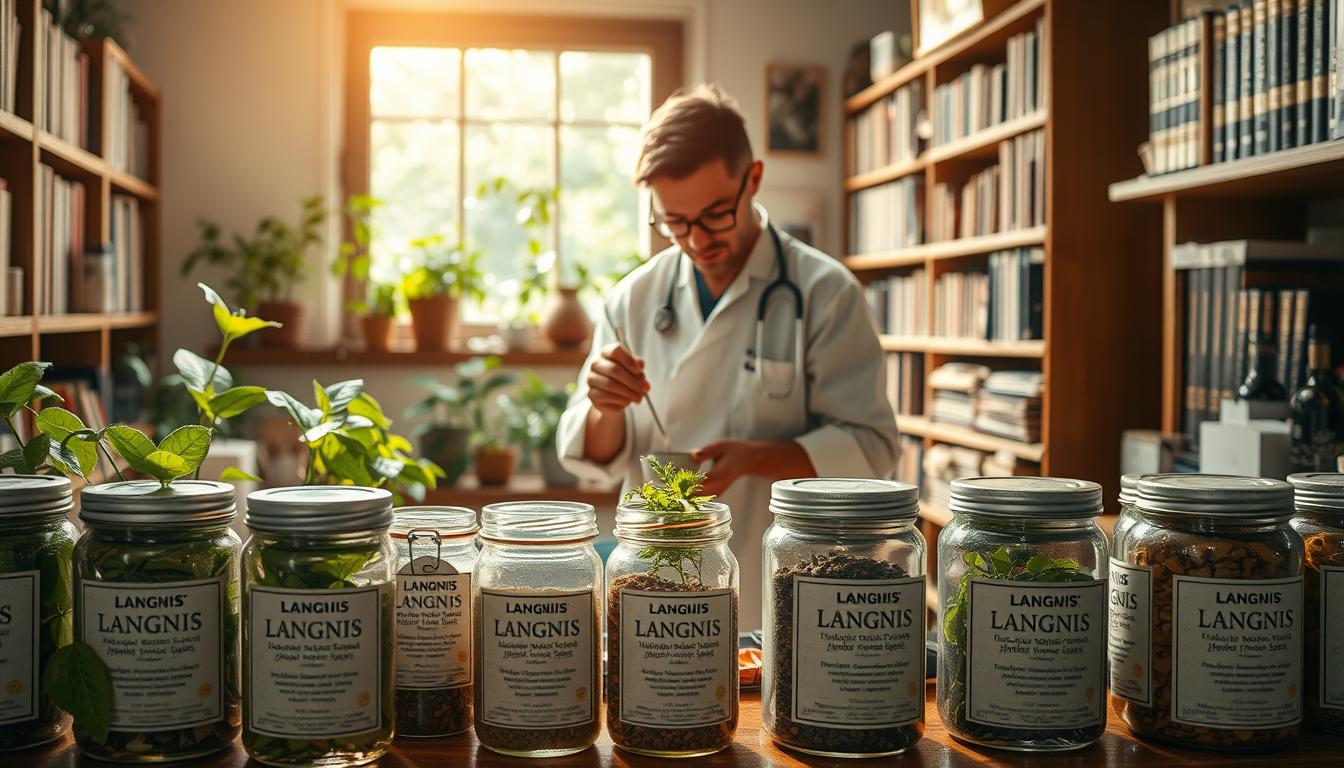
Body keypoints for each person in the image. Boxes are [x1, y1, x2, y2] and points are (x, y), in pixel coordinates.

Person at [556, 83, 900, 623]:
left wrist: (758, 458)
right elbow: (596, 462)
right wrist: (605, 405)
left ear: (754, 180)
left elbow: (872, 448)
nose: (697, 240)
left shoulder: (825, 292)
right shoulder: (634, 298)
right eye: (675, 222)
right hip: (655, 584)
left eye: (716, 214)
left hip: (785, 587)